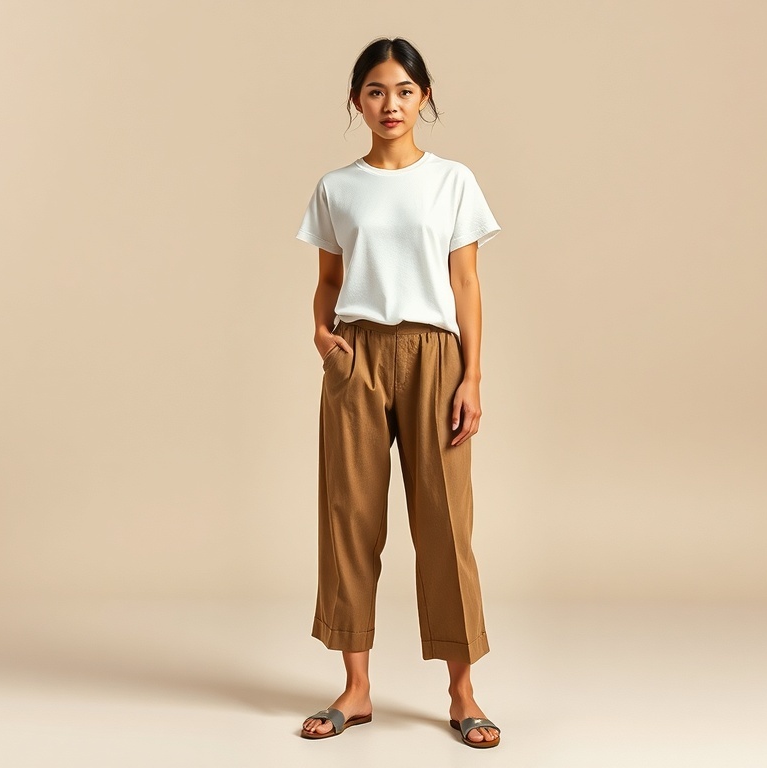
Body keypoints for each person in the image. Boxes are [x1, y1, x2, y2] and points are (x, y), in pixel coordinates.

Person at [294, 36, 502, 749]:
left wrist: (472, 376)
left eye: (405, 90)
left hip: (435, 354)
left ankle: (462, 692)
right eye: (377, 90)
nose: (391, 104)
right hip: (358, 354)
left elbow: (467, 285)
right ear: (357, 99)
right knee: (350, 517)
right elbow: (327, 279)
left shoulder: (453, 182)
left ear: (426, 96)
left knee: (445, 524)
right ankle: (356, 689)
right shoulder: (337, 187)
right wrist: (323, 336)